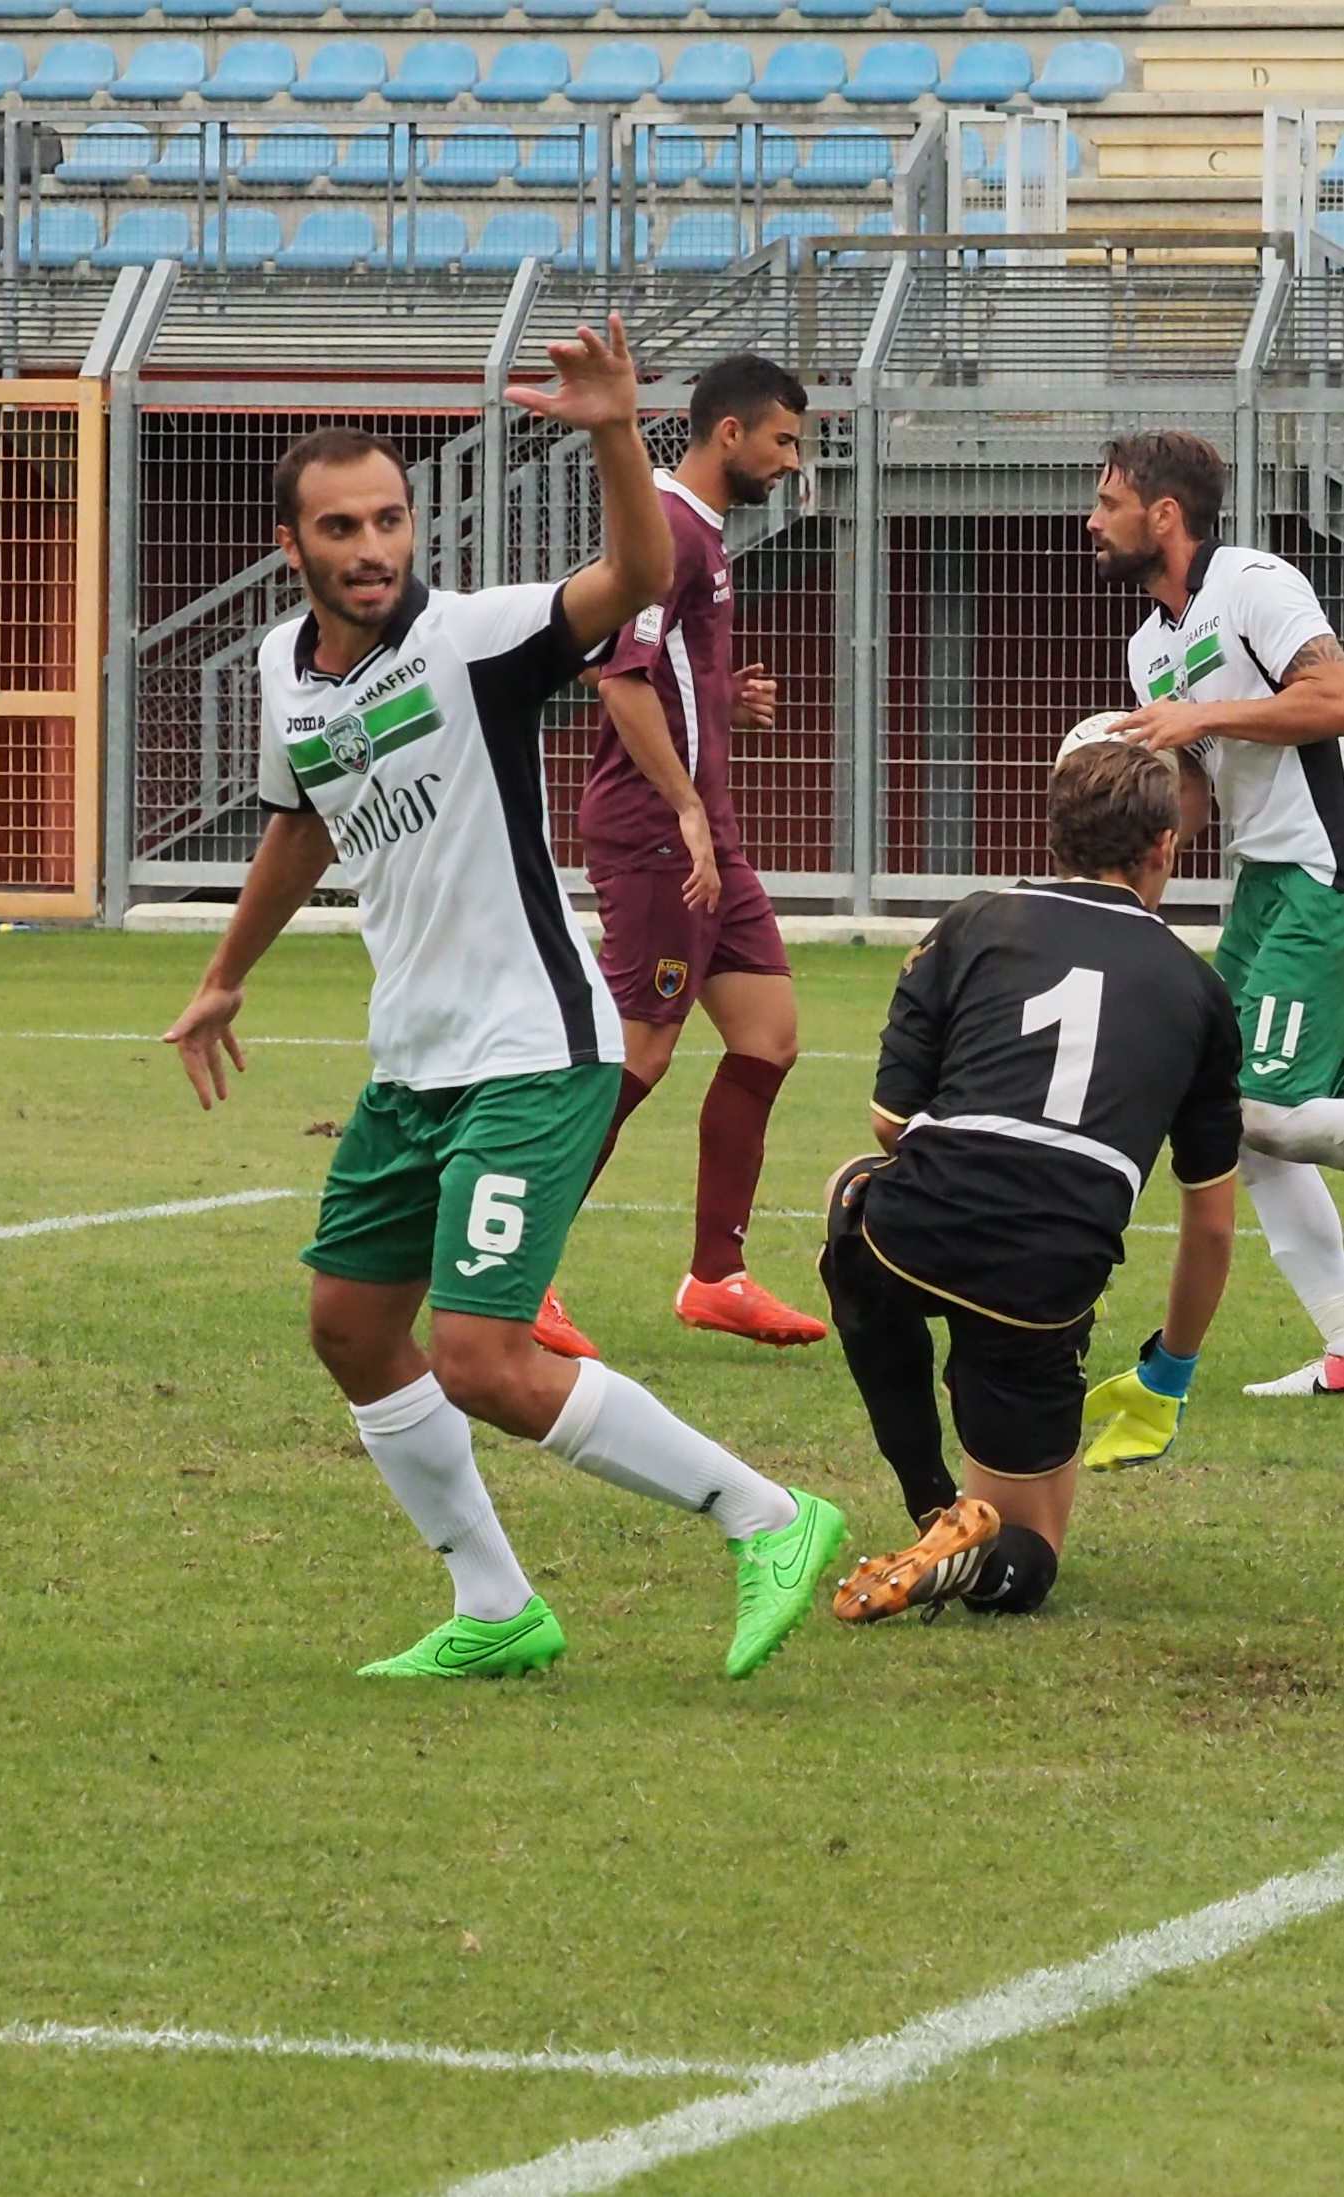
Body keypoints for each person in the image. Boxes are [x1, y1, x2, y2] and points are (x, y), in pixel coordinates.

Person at [164, 317, 846, 1682]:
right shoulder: (284, 671)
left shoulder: (475, 638)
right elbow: (302, 820)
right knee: (351, 1327)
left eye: (390, 519)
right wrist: (225, 974)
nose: (373, 547)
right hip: (413, 1061)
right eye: (341, 527)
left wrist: (614, 432)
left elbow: (634, 576)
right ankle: (495, 1605)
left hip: (534, 1048)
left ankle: (767, 1514)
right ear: (292, 547)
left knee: (481, 1354)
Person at [818, 738, 1240, 1624]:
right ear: (1164, 845)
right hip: (1046, 1277)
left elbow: (890, 1120)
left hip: (913, 1230)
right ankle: (970, 1554)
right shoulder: (1200, 992)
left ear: (1051, 834)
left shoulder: (972, 921)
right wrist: (1169, 1372)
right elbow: (1209, 1222)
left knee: (852, 1192)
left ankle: (929, 1500)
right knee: (1030, 1549)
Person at [534, 351, 828, 1363]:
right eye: (783, 441)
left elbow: (649, 672)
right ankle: (519, 1263)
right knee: (640, 1050)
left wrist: (717, 697)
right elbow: (619, 681)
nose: (793, 462)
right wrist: (687, 810)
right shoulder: (665, 529)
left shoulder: (702, 532)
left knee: (768, 1037)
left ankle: (716, 1275)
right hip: (661, 832)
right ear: (729, 433)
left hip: (705, 830)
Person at [1091, 432, 1344, 1398]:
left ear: (1163, 515)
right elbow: (1194, 792)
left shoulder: (1252, 582)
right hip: (1263, 881)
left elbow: (1330, 696)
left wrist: (1197, 717)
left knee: (1267, 1111)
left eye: (1107, 502)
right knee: (1225, 1112)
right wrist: (1121, 884)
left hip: (1326, 866)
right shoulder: (1147, 645)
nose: (1090, 520)